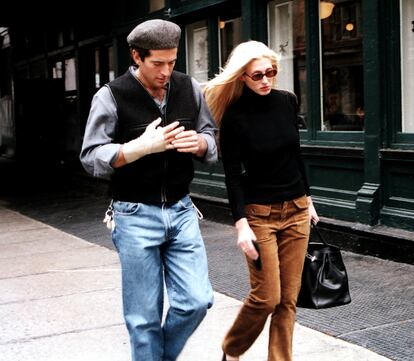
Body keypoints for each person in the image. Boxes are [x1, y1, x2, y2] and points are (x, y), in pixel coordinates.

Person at [80, 19, 217, 361]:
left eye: (172, 62)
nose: (167, 71)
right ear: (137, 57)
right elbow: (90, 155)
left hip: (182, 210)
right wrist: (138, 148)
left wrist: (199, 143)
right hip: (133, 214)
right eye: (158, 63)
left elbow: (213, 141)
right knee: (143, 320)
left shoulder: (191, 88)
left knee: (197, 300)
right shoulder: (111, 95)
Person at [203, 40, 319, 361]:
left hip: (296, 210)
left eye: (271, 72)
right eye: (257, 75)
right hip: (260, 215)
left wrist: (307, 199)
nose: (266, 80)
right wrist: (241, 224)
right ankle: (232, 349)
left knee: (288, 301)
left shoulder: (287, 102)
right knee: (267, 297)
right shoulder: (235, 117)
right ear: (242, 77)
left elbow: (295, 154)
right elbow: (233, 176)